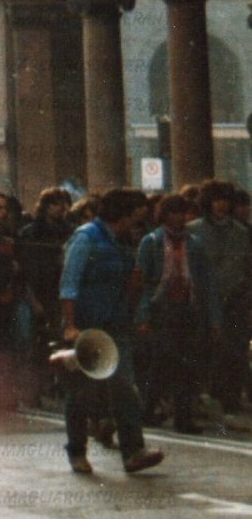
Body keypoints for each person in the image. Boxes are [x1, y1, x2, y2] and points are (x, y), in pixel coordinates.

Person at [59, 187, 164, 475]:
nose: (138, 225)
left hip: (116, 326)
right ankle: (77, 452)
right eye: (136, 218)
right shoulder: (86, 237)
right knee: (81, 392)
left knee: (125, 388)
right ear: (123, 215)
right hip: (86, 327)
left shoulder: (125, 242)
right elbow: (70, 283)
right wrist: (70, 325)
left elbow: (131, 286)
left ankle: (133, 452)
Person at [135, 194, 219, 434]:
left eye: (182, 212)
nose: (178, 217)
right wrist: (142, 316)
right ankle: (148, 409)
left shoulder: (195, 243)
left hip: (188, 310)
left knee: (186, 366)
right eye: (173, 212)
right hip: (161, 310)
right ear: (164, 215)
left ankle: (183, 418)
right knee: (162, 363)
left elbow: (207, 282)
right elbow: (144, 283)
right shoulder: (150, 242)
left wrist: (214, 319)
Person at [187, 179, 252, 415]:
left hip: (235, 298)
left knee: (236, 349)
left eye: (225, 200)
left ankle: (230, 398)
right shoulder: (193, 230)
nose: (221, 205)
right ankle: (203, 395)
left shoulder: (241, 232)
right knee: (204, 349)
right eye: (216, 200)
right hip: (203, 299)